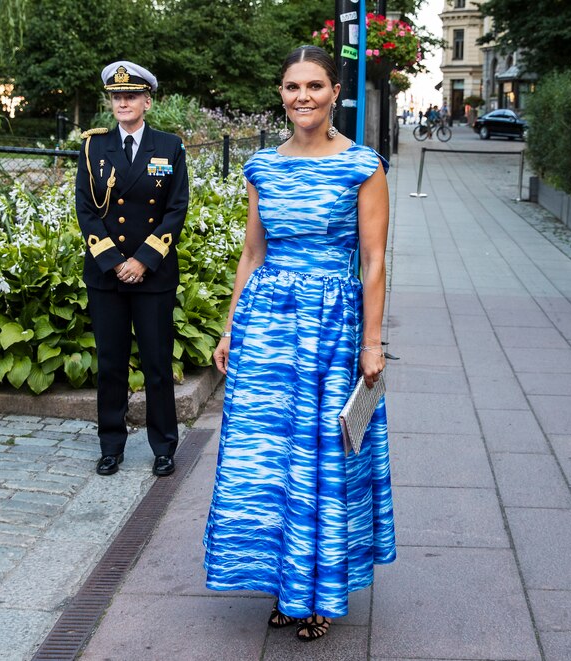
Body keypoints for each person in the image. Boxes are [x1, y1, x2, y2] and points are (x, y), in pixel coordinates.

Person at [203, 45, 396, 643]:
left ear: (337, 91)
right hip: (269, 323)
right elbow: (252, 253)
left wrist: (371, 342)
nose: (303, 97)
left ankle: (318, 593)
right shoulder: (262, 166)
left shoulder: (364, 165)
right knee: (268, 452)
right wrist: (232, 326)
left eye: (315, 85)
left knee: (324, 453)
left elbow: (374, 259)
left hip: (333, 326)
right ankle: (286, 582)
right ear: (281, 94)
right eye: (292, 87)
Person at [75, 61, 189, 478]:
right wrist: (113, 261)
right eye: (116, 97)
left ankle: (163, 446)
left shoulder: (169, 146)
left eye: (131, 96)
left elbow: (176, 209)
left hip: (153, 274)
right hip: (106, 275)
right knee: (110, 362)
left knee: (157, 362)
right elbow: (86, 211)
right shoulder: (93, 148)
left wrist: (143, 260)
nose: (123, 102)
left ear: (147, 101)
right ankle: (111, 445)